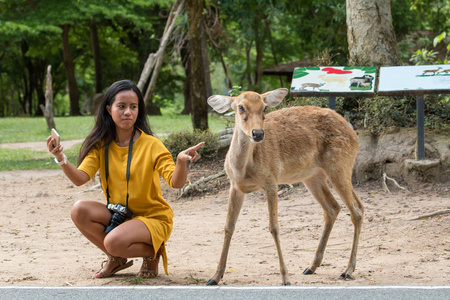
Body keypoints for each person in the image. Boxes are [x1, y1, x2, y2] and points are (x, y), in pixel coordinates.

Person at [46, 79, 203, 278]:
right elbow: (80, 178)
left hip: (152, 219)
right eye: (121, 106)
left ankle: (153, 251)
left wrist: (181, 161)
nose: (128, 112)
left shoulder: (152, 144)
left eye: (133, 107)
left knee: (112, 242)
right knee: (79, 210)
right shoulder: (101, 145)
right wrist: (60, 157)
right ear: (109, 109)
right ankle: (117, 259)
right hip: (120, 214)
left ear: (139, 111)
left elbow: (176, 182)